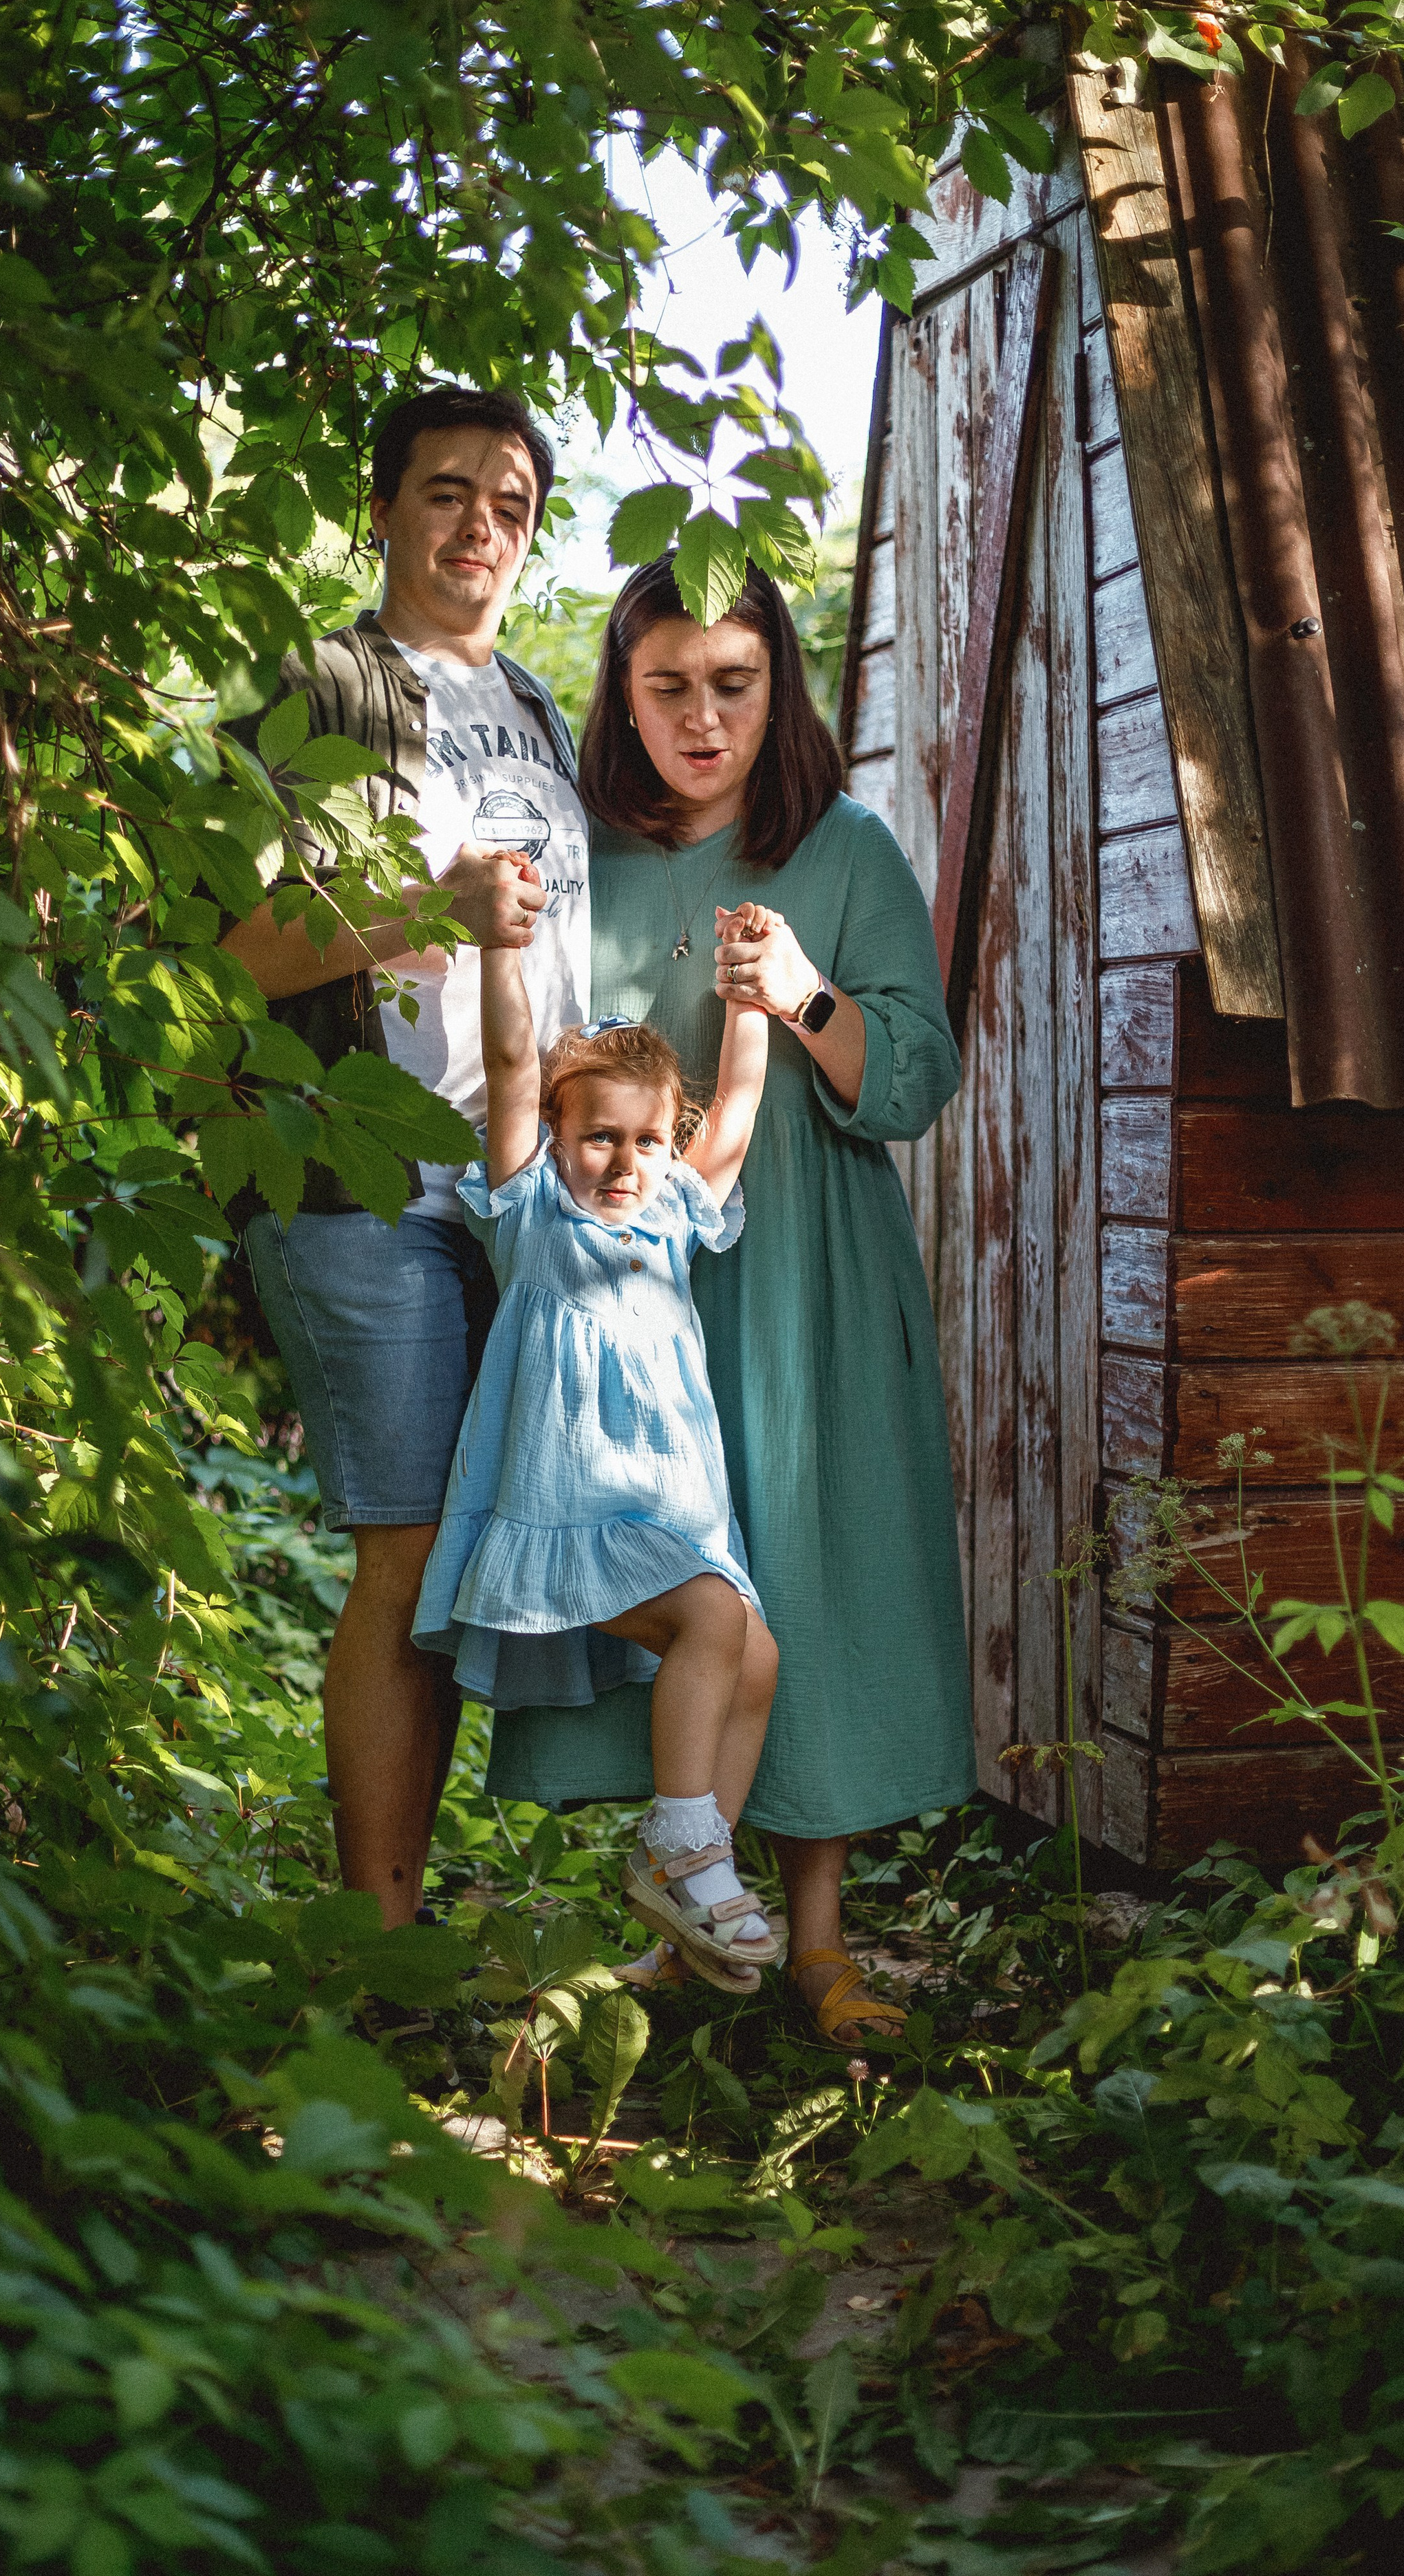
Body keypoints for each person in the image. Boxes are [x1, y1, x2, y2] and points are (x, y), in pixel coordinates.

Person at [485, 556, 977, 2046]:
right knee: (666, 1575)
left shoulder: (843, 848)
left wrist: (806, 994)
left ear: (781, 688)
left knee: (803, 1572)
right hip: (628, 1295)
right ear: (622, 697)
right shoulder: (580, 856)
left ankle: (818, 1942)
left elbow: (913, 1080)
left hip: (804, 1279)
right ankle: (679, 1908)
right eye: (669, 687)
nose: (702, 719)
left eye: (734, 685)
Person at [219, 386, 590, 1929]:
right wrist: (429, 907)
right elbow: (233, 951)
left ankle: (419, 1907)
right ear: (381, 511)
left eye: (510, 505)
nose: (479, 529)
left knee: (499, 1543)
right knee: (411, 1548)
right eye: (446, 493)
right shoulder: (316, 686)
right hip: (360, 1174)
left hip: (523, 1183)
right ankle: (378, 1940)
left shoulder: (542, 708)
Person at [411, 925, 784, 1987]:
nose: (625, 1163)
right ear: (556, 1135)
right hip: (576, 1507)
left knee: (756, 1659)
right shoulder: (533, 1213)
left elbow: (738, 1107)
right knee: (714, 1621)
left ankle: (684, 1919)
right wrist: (499, 948)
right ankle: (683, 1852)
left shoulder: (674, 1215)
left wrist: (749, 1002)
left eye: (649, 1140)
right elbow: (512, 1064)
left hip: (671, 1507)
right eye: (600, 1139)